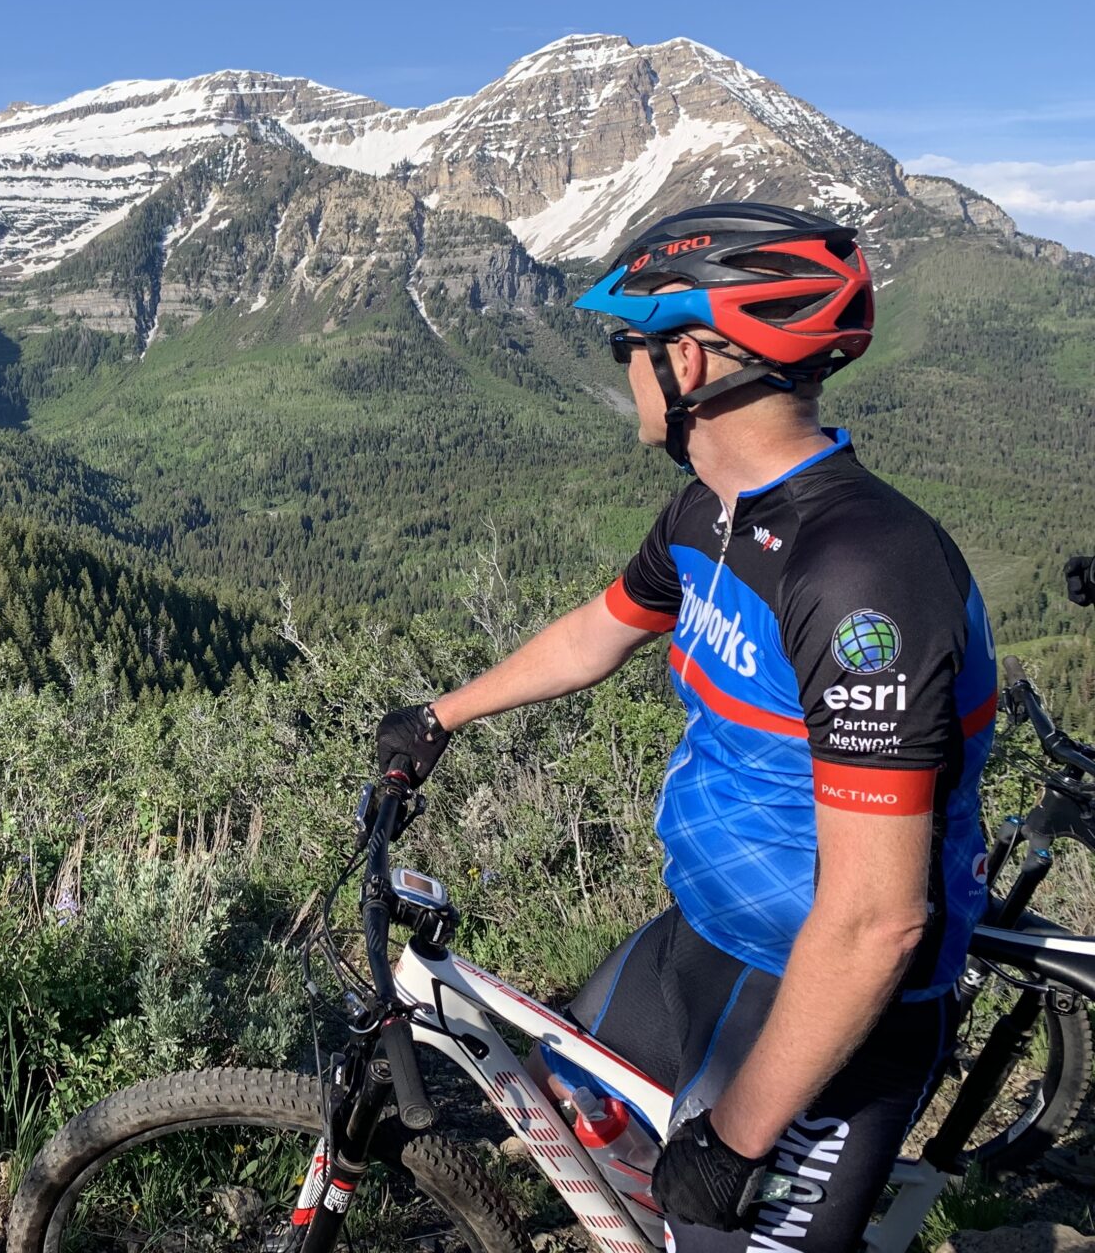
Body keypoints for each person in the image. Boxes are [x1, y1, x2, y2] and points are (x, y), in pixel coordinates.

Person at [375, 202, 999, 1252]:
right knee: (587, 1141)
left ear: (692, 361)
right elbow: (597, 632)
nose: (619, 370)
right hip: (697, 937)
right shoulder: (709, 514)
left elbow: (872, 922)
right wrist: (441, 715)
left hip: (827, 1007)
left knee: (702, 1223)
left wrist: (737, 1141)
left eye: (629, 346)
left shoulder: (860, 577)